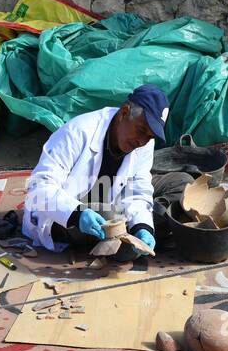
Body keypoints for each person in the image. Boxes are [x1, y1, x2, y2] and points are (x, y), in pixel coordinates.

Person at [22, 85, 169, 262]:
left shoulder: (144, 142)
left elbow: (139, 188)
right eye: (141, 130)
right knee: (113, 220)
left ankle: (139, 231)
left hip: (108, 202)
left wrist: (143, 226)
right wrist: (77, 214)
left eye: (150, 137)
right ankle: (124, 239)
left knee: (179, 182)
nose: (142, 141)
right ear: (124, 112)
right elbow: (38, 187)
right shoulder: (78, 131)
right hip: (65, 216)